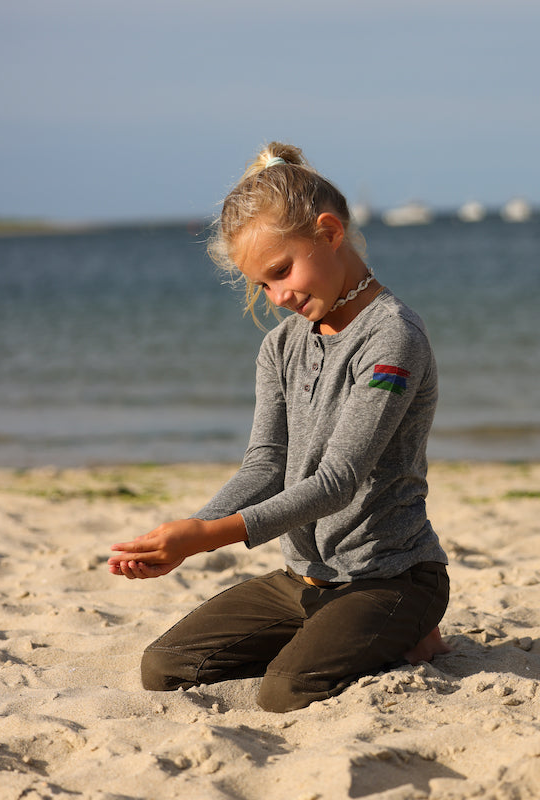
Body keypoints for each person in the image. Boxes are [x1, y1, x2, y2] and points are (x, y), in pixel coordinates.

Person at [108, 142, 450, 713]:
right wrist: (190, 532)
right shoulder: (280, 346)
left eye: (282, 271)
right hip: (302, 579)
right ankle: (340, 634)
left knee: (287, 691)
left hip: (392, 576)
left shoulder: (393, 338)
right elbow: (266, 464)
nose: (278, 296)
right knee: (163, 667)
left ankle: (411, 630)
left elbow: (338, 480)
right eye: (263, 284)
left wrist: (206, 539)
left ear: (330, 232)